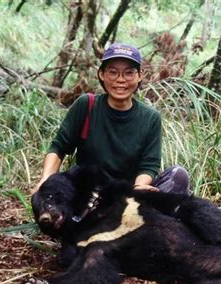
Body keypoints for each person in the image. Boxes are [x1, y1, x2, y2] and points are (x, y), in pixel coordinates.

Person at [33, 43, 190, 195]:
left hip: (128, 196)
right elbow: (59, 147)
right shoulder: (87, 105)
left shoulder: (150, 118)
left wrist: (139, 187)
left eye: (129, 73)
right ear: (102, 74)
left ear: (140, 75)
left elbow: (149, 165)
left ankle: (136, 215)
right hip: (87, 194)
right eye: (113, 72)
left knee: (178, 176)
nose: (120, 80)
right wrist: (46, 180)